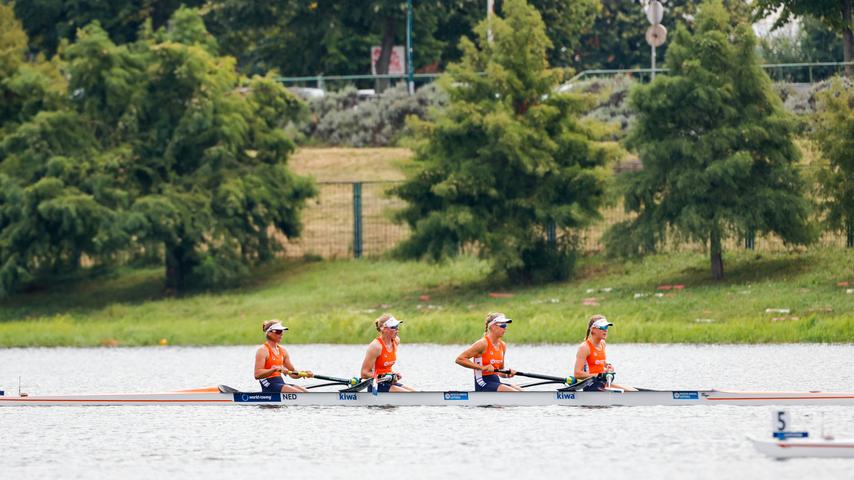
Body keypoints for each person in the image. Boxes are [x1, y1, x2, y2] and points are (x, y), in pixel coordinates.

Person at [455, 312, 522, 392]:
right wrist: (483, 367)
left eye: (506, 325)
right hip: (482, 383)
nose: (505, 328)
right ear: (493, 326)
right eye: (503, 325)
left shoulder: (502, 345)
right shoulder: (482, 344)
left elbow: (500, 371)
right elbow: (460, 359)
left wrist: (508, 374)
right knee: (515, 393)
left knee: (522, 392)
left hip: (495, 382)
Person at [573, 315, 636, 391]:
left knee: (633, 389)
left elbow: (599, 361)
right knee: (632, 391)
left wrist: (607, 366)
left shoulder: (603, 344)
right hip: (591, 386)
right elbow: (577, 374)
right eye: (603, 328)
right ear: (593, 330)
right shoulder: (584, 347)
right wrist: (599, 375)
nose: (606, 330)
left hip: (602, 384)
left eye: (607, 327)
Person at [360, 314, 416, 392]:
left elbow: (384, 368)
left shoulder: (396, 341)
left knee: (415, 392)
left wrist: (393, 375)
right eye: (394, 327)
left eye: (397, 327)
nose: (397, 330)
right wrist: (385, 376)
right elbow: (364, 373)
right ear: (383, 329)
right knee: (410, 395)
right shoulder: (376, 346)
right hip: (376, 386)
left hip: (388, 383)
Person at [254, 320, 314, 393]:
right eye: (278, 331)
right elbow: (257, 375)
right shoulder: (263, 351)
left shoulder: (283, 351)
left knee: (307, 393)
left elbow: (293, 373)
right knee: (301, 394)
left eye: (282, 331)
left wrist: (304, 373)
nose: (281, 334)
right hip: (268, 385)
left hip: (280, 383)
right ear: (269, 333)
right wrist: (274, 369)